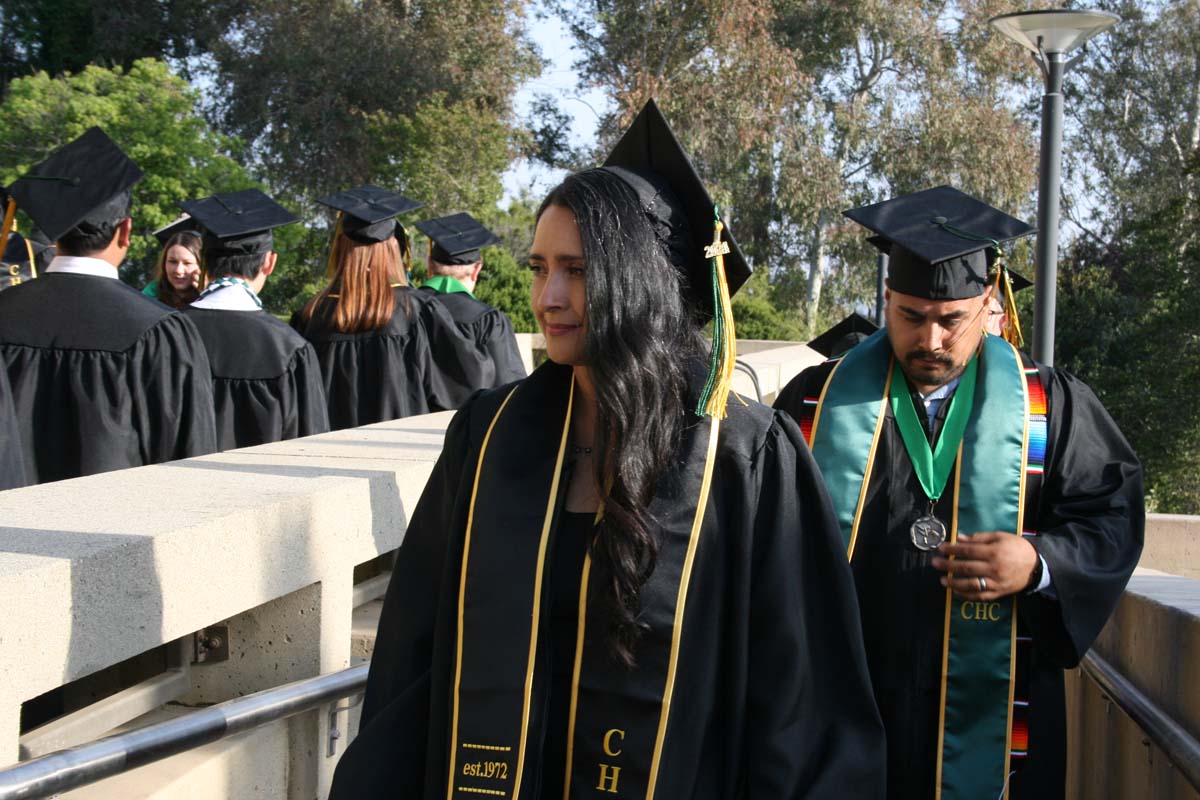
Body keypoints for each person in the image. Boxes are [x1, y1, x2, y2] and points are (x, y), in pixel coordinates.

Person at [329, 100, 884, 799]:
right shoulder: (489, 436)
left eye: (580, 270)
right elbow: (415, 657)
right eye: (539, 268)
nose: (549, 297)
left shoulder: (742, 457)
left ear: (644, 282)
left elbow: (798, 700)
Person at [774, 185, 1144, 800]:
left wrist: (1041, 563)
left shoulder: (1048, 407)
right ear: (887, 298)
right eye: (910, 316)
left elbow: (1110, 515)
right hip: (846, 699)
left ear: (988, 302)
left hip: (997, 700)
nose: (931, 340)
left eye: (951, 320)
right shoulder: (815, 402)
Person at [0, 127, 217, 483]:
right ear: (125, 231)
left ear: (54, 232)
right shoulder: (159, 329)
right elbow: (189, 463)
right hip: (115, 516)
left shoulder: (5, 311)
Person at [292, 185, 493, 428]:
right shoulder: (417, 310)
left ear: (340, 247)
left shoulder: (311, 315)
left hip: (325, 449)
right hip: (398, 445)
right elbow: (471, 378)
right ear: (394, 248)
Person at [181, 189, 330, 449]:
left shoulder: (165, 335)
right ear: (269, 263)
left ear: (204, 259)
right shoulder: (288, 347)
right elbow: (310, 447)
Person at [415, 212, 527, 385]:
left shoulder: (401, 310)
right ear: (476, 270)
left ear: (429, 265)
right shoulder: (488, 321)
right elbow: (509, 387)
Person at [143, 217, 204, 309]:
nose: (178, 270)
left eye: (187, 263)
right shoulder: (151, 294)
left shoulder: (216, 296)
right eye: (172, 262)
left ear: (201, 265)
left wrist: (206, 294)